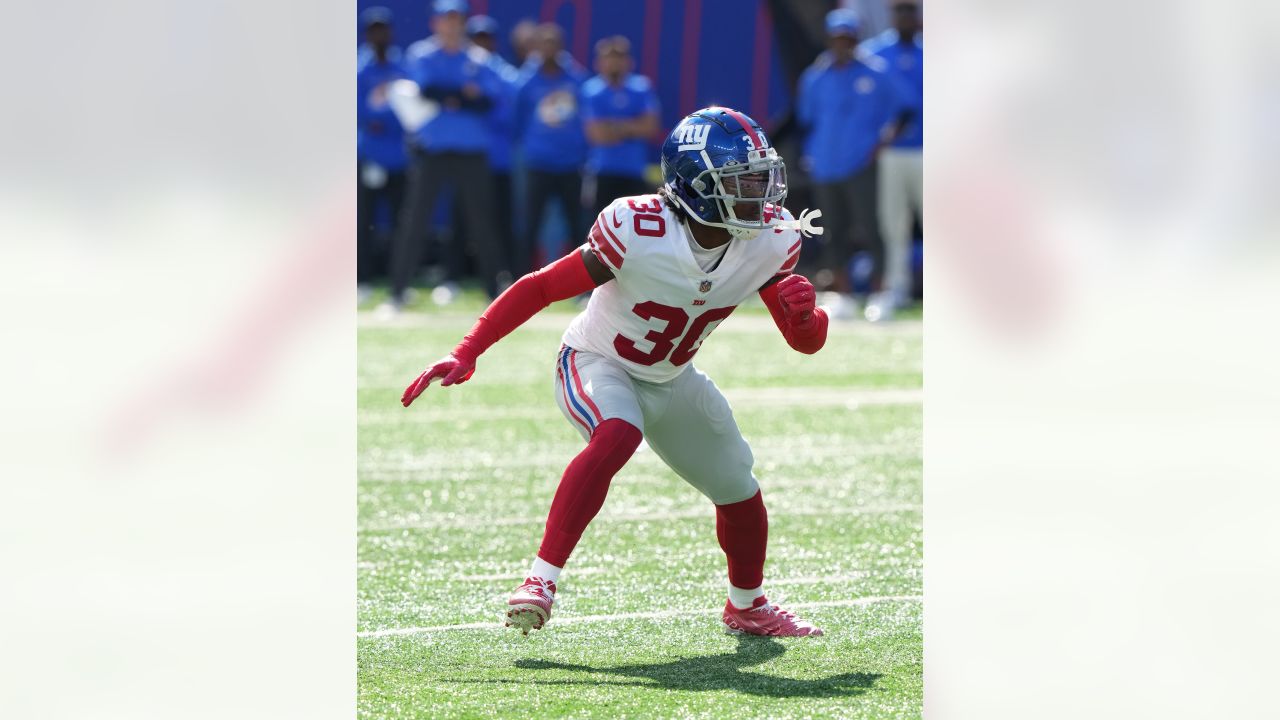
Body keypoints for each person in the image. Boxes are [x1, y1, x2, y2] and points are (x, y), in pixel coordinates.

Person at [401, 107, 829, 637]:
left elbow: (804, 343)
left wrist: (807, 317)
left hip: (671, 376)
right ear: (695, 184)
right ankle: (540, 581)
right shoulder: (639, 228)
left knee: (738, 487)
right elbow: (541, 287)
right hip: (596, 359)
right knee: (617, 434)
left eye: (761, 179)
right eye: (742, 181)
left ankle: (748, 605)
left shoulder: (770, 240)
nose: (759, 196)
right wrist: (468, 349)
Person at [386, 0, 508, 312]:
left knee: (483, 222)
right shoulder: (422, 54)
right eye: (446, 19)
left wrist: (454, 97)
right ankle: (397, 293)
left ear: (463, 23)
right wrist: (462, 95)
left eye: (456, 19)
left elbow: (487, 101)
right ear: (436, 23)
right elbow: (428, 90)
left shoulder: (480, 58)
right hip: (433, 151)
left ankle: (494, 295)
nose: (451, 25)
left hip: (471, 151)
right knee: (414, 220)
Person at [797, 8, 911, 320]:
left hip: (861, 164)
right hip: (825, 166)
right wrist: (812, 154)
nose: (842, 44)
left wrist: (882, 144)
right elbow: (806, 120)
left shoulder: (876, 72)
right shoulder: (816, 77)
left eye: (848, 38)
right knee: (833, 231)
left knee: (872, 228)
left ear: (857, 39)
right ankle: (842, 293)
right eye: (837, 38)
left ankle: (881, 292)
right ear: (829, 39)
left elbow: (905, 109)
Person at [861, 0, 923, 319]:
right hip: (892, 153)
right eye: (900, 9)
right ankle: (895, 288)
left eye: (910, 9)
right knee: (893, 223)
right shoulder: (873, 53)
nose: (905, 16)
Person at [513, 24, 588, 277]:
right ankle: (519, 279)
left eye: (553, 43)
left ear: (560, 46)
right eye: (544, 44)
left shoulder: (576, 79)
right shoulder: (526, 80)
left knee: (577, 225)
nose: (548, 49)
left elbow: (584, 118)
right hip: (538, 163)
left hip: (570, 163)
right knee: (530, 224)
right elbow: (519, 120)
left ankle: (581, 281)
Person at [357, 7, 408, 295]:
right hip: (368, 157)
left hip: (399, 159)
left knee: (401, 224)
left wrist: (383, 121)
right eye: (374, 29)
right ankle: (362, 280)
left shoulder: (400, 67)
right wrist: (380, 121)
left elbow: (408, 109)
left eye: (383, 29)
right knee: (363, 222)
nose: (379, 35)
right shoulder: (358, 68)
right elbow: (361, 112)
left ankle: (397, 282)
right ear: (367, 34)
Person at [581, 36, 661, 217]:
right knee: (599, 228)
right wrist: (632, 126)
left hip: (634, 171)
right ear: (599, 62)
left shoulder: (642, 87)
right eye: (609, 58)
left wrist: (613, 127)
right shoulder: (591, 90)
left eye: (619, 58)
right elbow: (597, 134)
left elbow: (650, 127)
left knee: (635, 228)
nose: (614, 63)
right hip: (602, 171)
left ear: (629, 62)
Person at [467, 15, 520, 289]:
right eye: (476, 39)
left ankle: (502, 273)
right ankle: (462, 275)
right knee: (465, 219)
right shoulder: (464, 67)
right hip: (469, 159)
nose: (481, 44)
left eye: (485, 39)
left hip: (499, 162)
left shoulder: (502, 72)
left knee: (500, 219)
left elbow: (507, 111)